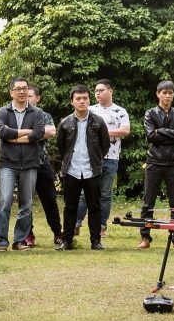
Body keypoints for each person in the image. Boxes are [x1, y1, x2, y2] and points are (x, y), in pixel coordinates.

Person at [55, 85, 111, 250]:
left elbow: (105, 145)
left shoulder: (98, 122)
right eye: (78, 98)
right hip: (71, 170)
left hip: (92, 170)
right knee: (70, 207)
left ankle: (96, 241)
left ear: (89, 100)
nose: (82, 101)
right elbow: (61, 146)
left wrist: (96, 159)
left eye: (85, 98)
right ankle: (67, 241)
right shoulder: (65, 123)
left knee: (95, 207)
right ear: (72, 101)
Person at [0, 77, 46, 252]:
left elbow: (38, 133)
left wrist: (13, 138)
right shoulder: (3, 111)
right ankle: (2, 241)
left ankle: (20, 240)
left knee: (26, 204)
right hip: (8, 164)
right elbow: (2, 132)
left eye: (25, 88)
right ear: (12, 92)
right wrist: (25, 134)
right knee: (4, 202)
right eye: (18, 89)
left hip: (30, 164)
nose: (22, 91)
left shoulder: (37, 113)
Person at [138, 80, 174, 250]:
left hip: (173, 162)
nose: (167, 96)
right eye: (164, 92)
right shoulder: (150, 113)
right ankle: (145, 237)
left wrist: (160, 130)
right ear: (158, 94)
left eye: (170, 93)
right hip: (154, 161)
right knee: (148, 201)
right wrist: (170, 135)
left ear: (173, 95)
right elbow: (150, 137)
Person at [75, 79, 129, 238]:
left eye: (101, 90)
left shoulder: (120, 111)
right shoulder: (89, 110)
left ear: (110, 91)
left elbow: (125, 130)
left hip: (111, 158)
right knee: (85, 193)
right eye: (96, 91)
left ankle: (101, 227)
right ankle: (76, 223)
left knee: (105, 194)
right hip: (89, 158)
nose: (98, 93)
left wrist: (103, 133)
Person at [26, 85, 63, 248]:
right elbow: (10, 133)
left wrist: (25, 134)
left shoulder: (44, 115)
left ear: (38, 98)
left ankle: (57, 233)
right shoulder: (17, 115)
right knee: (25, 201)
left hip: (42, 162)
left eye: (30, 95)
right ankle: (27, 234)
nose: (27, 98)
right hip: (23, 164)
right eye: (24, 95)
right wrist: (36, 132)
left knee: (49, 199)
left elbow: (51, 132)